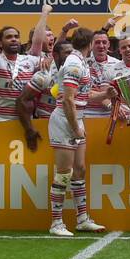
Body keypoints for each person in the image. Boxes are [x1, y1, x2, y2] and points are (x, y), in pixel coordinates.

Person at [46, 28, 107, 237]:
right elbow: (69, 99)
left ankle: (82, 219)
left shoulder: (81, 62)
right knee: (64, 173)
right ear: (90, 44)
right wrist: (76, 128)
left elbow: (83, 94)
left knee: (79, 169)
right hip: (65, 120)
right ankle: (56, 223)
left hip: (75, 119)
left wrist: (105, 94)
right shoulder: (74, 63)